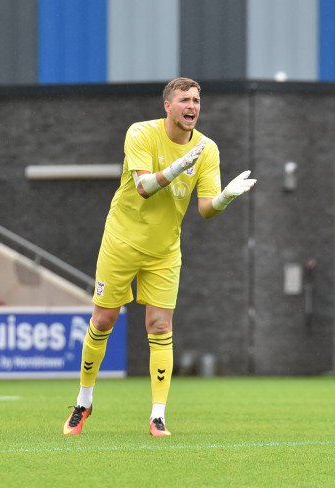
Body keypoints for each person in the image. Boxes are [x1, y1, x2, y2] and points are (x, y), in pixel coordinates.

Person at [63, 77, 257, 436]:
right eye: (184, 99)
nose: (192, 106)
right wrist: (177, 167)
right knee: (104, 320)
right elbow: (143, 187)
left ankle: (157, 416)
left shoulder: (207, 149)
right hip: (121, 242)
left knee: (160, 326)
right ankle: (84, 402)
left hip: (165, 251)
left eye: (196, 100)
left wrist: (225, 197)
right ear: (167, 106)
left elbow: (205, 209)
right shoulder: (140, 133)